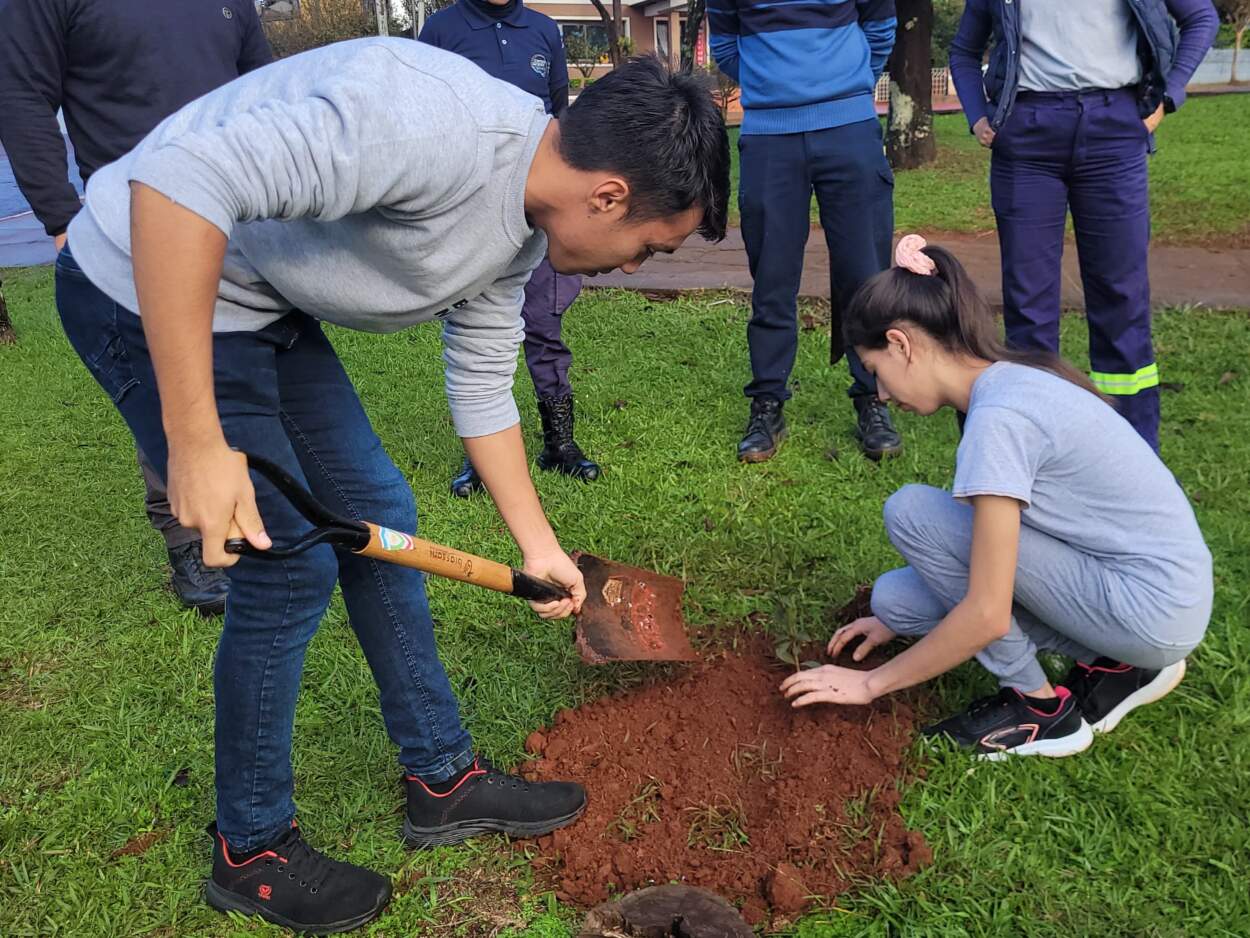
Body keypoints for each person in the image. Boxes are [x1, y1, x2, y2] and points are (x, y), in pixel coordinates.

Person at [56, 42, 729, 933]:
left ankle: (442, 779)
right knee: (288, 568)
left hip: (257, 304)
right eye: (650, 246)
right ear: (607, 196)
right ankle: (250, 848)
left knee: (381, 519)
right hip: (142, 284)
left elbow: (482, 386)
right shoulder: (429, 127)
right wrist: (196, 438)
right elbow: (176, 180)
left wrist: (540, 549)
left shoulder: (524, 228)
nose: (636, 266)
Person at [781, 237, 1212, 760]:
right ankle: (1124, 665)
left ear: (900, 344)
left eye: (876, 372)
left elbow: (987, 612)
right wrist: (894, 621)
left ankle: (1038, 708)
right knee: (897, 601)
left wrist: (869, 684)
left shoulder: (998, 421)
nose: (883, 395)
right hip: (1152, 595)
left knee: (912, 513)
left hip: (1151, 607)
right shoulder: (1011, 381)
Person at [0, 0, 275, 614]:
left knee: (256, 369)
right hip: (133, 228)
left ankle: (263, 505)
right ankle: (186, 536)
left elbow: (262, 83)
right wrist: (62, 221)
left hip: (243, 217)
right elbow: (21, 96)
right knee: (165, 382)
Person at [949, 0, 1219, 452]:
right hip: (1027, 137)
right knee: (1028, 304)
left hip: (1115, 131)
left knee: (1121, 296)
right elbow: (964, 49)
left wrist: (1168, 96)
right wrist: (977, 113)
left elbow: (1201, 18)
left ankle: (1133, 448)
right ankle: (1037, 444)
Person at [708, 0, 903, 463]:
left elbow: (881, 32)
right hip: (769, 136)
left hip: (849, 130)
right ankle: (768, 401)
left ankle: (872, 396)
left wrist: (842, 89)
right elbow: (726, 47)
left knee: (865, 274)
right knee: (772, 277)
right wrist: (775, 87)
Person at [419, 0, 601, 495]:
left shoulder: (543, 30)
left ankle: (559, 443)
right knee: (476, 331)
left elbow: (561, 122)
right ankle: (482, 457)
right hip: (470, 209)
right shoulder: (441, 29)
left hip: (534, 211)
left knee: (544, 323)